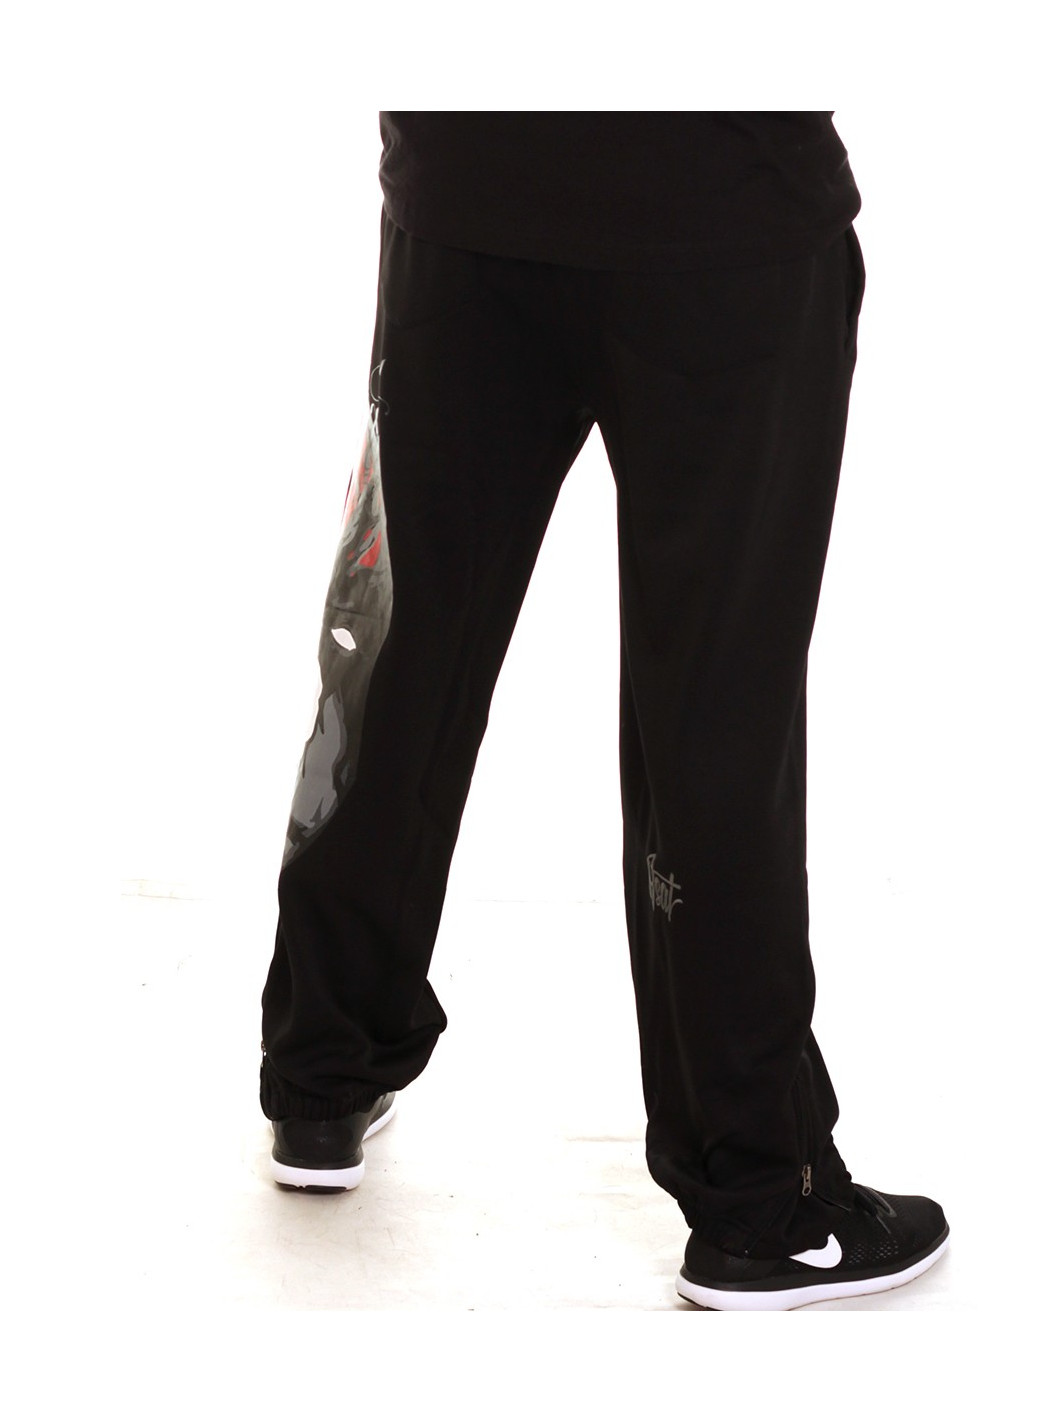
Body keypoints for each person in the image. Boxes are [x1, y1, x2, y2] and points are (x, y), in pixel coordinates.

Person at [258, 111, 949, 1310]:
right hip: (718, 217)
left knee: (404, 645)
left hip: (467, 200)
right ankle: (757, 1195)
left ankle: (320, 1067)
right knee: (716, 699)